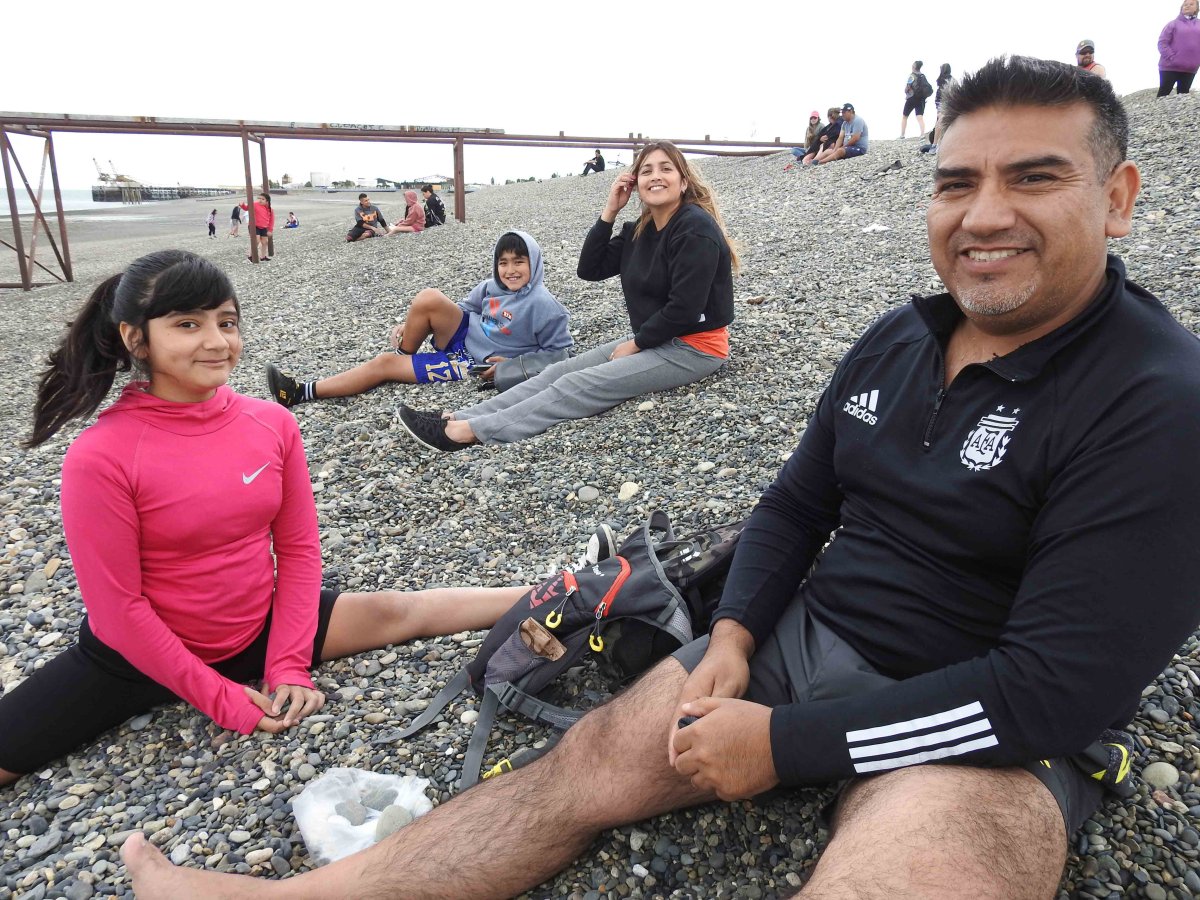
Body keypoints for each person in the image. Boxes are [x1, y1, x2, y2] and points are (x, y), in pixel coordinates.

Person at [123, 55, 1200, 900]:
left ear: (1117, 198)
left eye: (1034, 178)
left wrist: (784, 746)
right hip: (805, 640)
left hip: (988, 733)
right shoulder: (898, 339)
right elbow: (796, 504)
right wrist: (732, 636)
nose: (985, 214)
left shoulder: (1155, 400)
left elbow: (1052, 693)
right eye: (957, 183)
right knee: (579, 769)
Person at [0, 250, 524, 789]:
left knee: (402, 610)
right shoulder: (99, 456)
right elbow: (118, 612)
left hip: (261, 627)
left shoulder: (271, 423)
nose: (216, 341)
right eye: (187, 325)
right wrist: (219, 697)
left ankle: (561, 590)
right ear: (137, 339)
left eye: (226, 322)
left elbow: (298, 551)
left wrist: (288, 663)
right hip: (135, 657)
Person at [395, 140, 735, 453]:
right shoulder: (641, 230)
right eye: (646, 170)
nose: (655, 176)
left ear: (683, 182)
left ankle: (467, 433)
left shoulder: (694, 228)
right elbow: (590, 268)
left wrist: (637, 343)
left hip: (694, 348)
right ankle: (458, 417)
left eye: (665, 169)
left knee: (577, 384)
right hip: (658, 338)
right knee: (557, 372)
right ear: (636, 183)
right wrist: (610, 211)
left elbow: (685, 309)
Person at [266, 231, 571, 405]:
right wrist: (413, 323)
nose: (510, 270)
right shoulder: (491, 286)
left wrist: (515, 365)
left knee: (383, 365)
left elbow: (561, 355)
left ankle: (298, 393)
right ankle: (403, 355)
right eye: (503, 263)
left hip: (472, 363)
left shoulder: (545, 305)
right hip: (465, 335)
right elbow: (463, 309)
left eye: (519, 262)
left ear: (534, 263)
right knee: (428, 297)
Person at [1158, 0, 1200, 96]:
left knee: (1183, 97)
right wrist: (1172, 57)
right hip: (1170, 67)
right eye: (1185, 4)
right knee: (1163, 95)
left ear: (1197, 8)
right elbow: (1162, 43)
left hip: (1190, 68)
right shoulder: (1173, 24)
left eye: (1191, 4)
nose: (1187, 6)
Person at [901, 60, 931, 138]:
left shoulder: (912, 76)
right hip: (921, 99)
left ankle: (902, 135)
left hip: (911, 98)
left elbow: (908, 87)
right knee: (920, 117)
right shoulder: (923, 76)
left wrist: (906, 91)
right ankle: (922, 134)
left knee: (905, 116)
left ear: (914, 67)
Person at [242, 193, 274, 261]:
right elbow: (246, 208)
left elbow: (271, 220)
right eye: (259, 198)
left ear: (267, 201)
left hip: (264, 227)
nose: (260, 200)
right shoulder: (255, 204)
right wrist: (242, 205)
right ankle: (251, 255)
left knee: (265, 242)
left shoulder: (270, 209)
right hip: (254, 226)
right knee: (256, 240)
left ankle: (263, 257)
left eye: (263, 199)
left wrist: (270, 230)